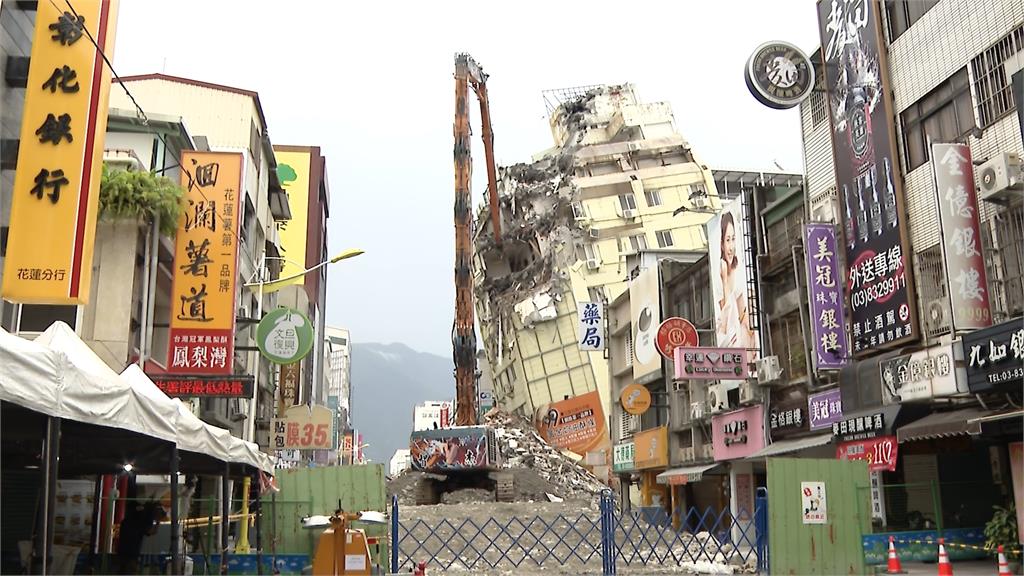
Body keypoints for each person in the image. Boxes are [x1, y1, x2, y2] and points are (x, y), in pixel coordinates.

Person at [717, 211, 754, 350]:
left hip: (744, 341)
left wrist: (751, 334)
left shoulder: (740, 268)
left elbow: (743, 311)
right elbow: (726, 321)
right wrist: (725, 280)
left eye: (733, 239)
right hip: (730, 347)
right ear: (721, 244)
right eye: (727, 240)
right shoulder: (719, 276)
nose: (731, 246)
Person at [115, 500, 165, 574]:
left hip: (122, 549)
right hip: (131, 552)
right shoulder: (146, 518)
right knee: (130, 570)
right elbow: (151, 531)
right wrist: (158, 522)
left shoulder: (133, 517)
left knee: (122, 569)